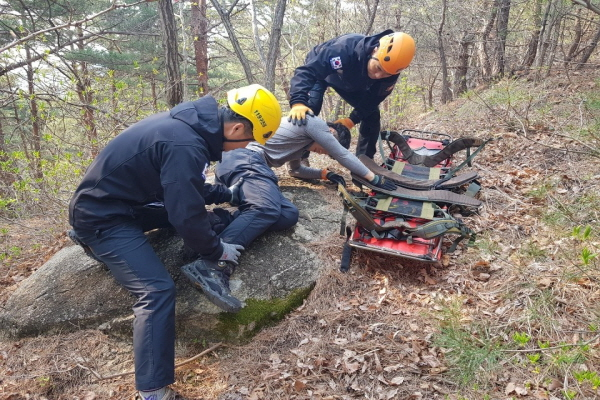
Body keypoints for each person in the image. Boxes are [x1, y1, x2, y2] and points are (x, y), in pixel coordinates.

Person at [67, 84, 281, 400]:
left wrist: (227, 194)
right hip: (104, 218)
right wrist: (216, 250)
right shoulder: (186, 143)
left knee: (209, 220)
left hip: (126, 203)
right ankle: (153, 391)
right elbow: (185, 212)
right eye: (248, 139)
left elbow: (183, 185)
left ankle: (98, 241)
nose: (244, 146)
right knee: (156, 290)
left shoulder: (188, 129)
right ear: (236, 127)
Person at [188, 116, 397, 310]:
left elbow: (295, 171)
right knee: (266, 208)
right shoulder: (311, 122)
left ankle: (215, 222)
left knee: (287, 215)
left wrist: (325, 173)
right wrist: (374, 178)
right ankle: (213, 264)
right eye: (328, 150)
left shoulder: (302, 144)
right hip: (246, 159)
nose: (325, 154)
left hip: (244, 167)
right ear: (330, 132)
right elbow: (342, 154)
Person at [287, 30, 415, 159]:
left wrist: (351, 120)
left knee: (372, 115)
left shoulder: (392, 70)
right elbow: (307, 71)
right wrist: (298, 102)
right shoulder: (343, 49)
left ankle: (364, 161)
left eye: (386, 74)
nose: (379, 76)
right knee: (309, 109)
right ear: (374, 50)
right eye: (378, 68)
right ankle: (298, 158)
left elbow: (373, 99)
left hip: (352, 82)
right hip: (322, 74)